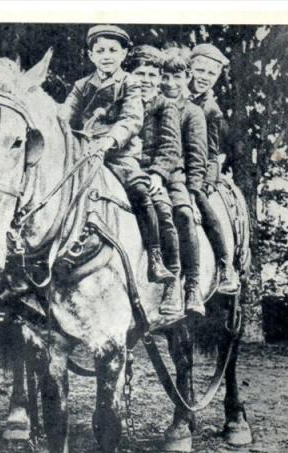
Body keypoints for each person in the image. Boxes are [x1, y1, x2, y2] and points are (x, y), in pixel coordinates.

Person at [60, 25, 173, 283]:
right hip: (84, 152)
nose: (106, 55)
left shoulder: (131, 83)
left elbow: (132, 119)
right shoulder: (81, 86)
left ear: (124, 54)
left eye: (113, 50)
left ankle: (155, 258)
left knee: (140, 191)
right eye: (100, 50)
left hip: (119, 155)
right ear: (91, 55)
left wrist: (108, 141)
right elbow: (64, 118)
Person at [128, 45, 184, 315]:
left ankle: (171, 279)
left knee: (163, 210)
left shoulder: (165, 106)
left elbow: (171, 148)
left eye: (152, 74)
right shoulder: (123, 101)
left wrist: (158, 175)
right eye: (140, 73)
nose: (145, 80)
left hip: (154, 171)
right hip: (124, 168)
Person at [159, 48, 208, 315]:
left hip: (178, 177)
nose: (169, 83)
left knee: (184, 216)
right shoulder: (148, 104)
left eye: (176, 77)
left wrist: (192, 194)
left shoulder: (191, 112)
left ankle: (191, 283)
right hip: (149, 172)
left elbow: (197, 158)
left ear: (187, 77)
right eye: (164, 76)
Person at [189, 43, 240, 294]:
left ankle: (223, 265)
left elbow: (212, 154)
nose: (203, 77)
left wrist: (206, 182)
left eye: (210, 74)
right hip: (167, 161)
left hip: (196, 169)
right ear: (189, 69)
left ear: (217, 77)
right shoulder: (174, 95)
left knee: (202, 205)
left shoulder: (211, 110)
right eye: (199, 70)